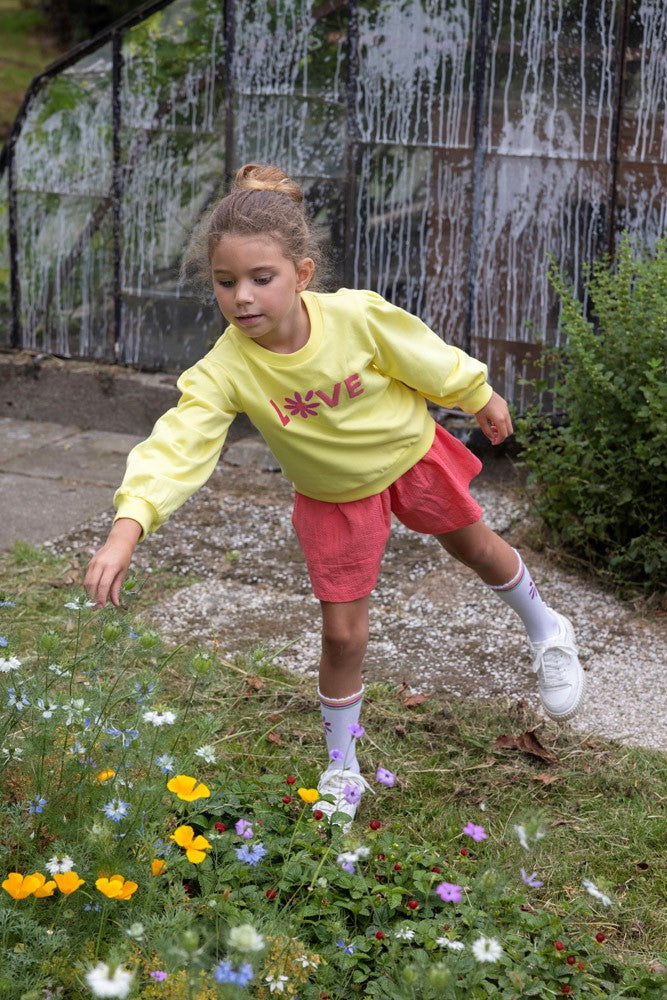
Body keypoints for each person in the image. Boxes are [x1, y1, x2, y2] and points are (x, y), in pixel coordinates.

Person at [84, 162, 586, 829]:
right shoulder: (226, 368)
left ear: (302, 274)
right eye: (225, 282)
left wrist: (476, 393)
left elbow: (422, 354)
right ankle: (341, 763)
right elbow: (177, 444)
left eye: (261, 279)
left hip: (410, 458)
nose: (242, 298)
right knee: (342, 633)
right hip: (332, 498)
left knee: (478, 550)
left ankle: (546, 627)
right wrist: (127, 527)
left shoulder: (354, 319)